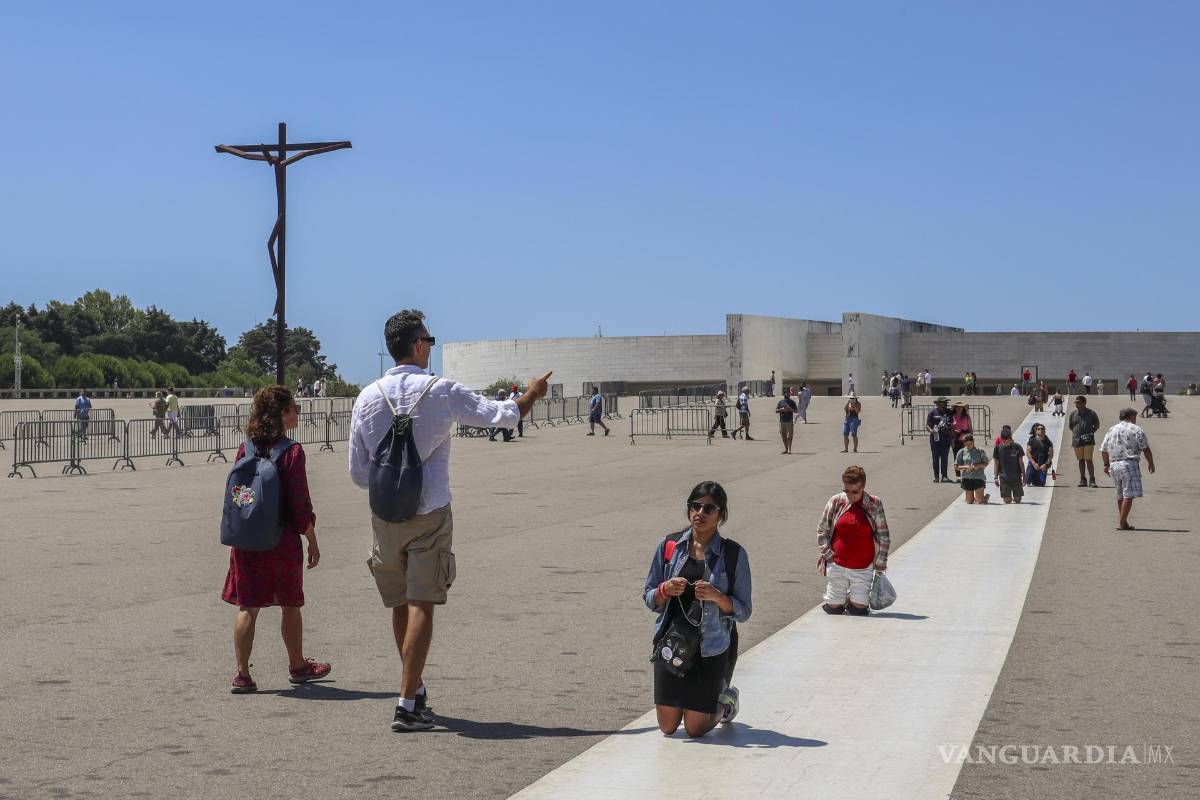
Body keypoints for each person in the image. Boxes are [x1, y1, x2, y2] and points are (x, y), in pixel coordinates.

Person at [349, 309, 551, 731]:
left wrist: (390, 482)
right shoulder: (441, 391)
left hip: (384, 516)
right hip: (430, 512)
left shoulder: (367, 397)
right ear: (419, 345)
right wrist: (532, 393)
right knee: (423, 601)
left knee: (400, 602)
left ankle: (414, 687)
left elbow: (358, 472)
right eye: (431, 340)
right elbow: (503, 415)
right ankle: (406, 704)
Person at [223, 386, 330, 694]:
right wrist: (312, 539)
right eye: (294, 408)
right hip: (280, 542)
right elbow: (300, 504)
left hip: (247, 541)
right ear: (282, 414)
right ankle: (297, 666)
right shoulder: (292, 452)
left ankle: (242, 674)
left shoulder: (246, 449)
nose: (298, 412)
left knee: (247, 607)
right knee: (290, 605)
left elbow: (240, 494)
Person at [645, 481, 751, 738]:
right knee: (668, 727)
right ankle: (690, 703)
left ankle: (725, 704)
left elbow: (744, 610)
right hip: (672, 643)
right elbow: (649, 598)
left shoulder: (733, 554)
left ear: (721, 514)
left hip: (710, 648)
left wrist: (717, 597)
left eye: (709, 508)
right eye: (695, 506)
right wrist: (664, 590)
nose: (700, 513)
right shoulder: (669, 546)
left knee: (694, 729)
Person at [816, 465, 890, 616]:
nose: (850, 495)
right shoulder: (836, 501)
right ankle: (839, 600)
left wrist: (881, 563)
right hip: (837, 563)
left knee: (859, 610)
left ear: (863, 487)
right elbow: (822, 530)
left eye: (854, 491)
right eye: (846, 490)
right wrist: (829, 556)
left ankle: (853, 600)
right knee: (834, 609)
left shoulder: (874, 504)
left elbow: (883, 535)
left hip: (863, 566)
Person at [1100, 409, 1156, 530]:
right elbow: (1145, 448)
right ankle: (1121, 523)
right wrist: (1151, 462)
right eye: (1134, 417)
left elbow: (1104, 449)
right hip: (1129, 463)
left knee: (1120, 495)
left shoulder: (1111, 429)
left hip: (1114, 464)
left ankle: (1124, 522)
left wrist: (1106, 465)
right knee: (1128, 495)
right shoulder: (1136, 429)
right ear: (1130, 417)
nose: (1135, 420)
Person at [1068, 395, 1101, 488]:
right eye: (1075, 402)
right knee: (1081, 460)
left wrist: (1090, 433)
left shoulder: (1091, 413)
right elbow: (1071, 426)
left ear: (1084, 403)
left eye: (1078, 402)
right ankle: (1083, 479)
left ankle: (1092, 480)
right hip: (1077, 440)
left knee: (1089, 460)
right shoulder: (1073, 414)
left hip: (1088, 441)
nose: (1076, 404)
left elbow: (1097, 425)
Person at [992, 425, 1026, 504]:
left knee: (1018, 500)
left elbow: (1021, 463)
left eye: (1008, 441)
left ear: (1011, 438)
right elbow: (996, 463)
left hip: (1016, 477)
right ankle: (1008, 496)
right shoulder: (997, 448)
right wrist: (995, 477)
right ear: (1001, 439)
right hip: (1004, 477)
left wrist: (1024, 476)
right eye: (1004, 441)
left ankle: (1016, 495)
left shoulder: (1017, 447)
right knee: (1007, 501)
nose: (1006, 443)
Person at [954, 434, 990, 504]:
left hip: (978, 477)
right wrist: (966, 467)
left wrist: (977, 465)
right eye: (966, 444)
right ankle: (971, 497)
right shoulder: (961, 452)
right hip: (967, 478)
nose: (968, 446)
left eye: (969, 444)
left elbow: (986, 463)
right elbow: (956, 466)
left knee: (980, 501)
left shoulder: (980, 451)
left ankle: (984, 497)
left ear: (973, 442)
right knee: (969, 501)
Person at [926, 397, 954, 483]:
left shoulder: (949, 412)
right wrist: (931, 431)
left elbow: (952, 424)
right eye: (943, 402)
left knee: (944, 458)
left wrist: (952, 438)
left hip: (946, 438)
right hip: (935, 439)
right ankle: (936, 476)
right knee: (935, 458)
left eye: (945, 402)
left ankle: (944, 476)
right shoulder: (932, 413)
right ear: (938, 403)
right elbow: (928, 425)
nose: (945, 404)